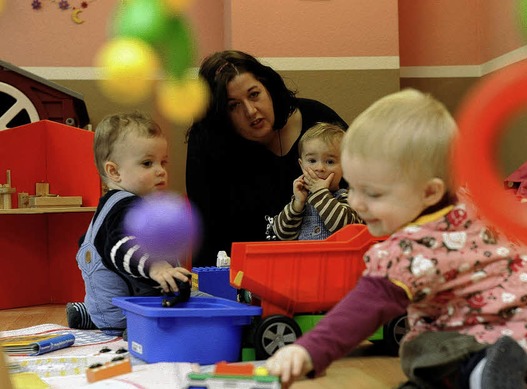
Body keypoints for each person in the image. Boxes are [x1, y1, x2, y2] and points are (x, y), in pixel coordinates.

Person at [265, 89, 527, 389]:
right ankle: (479, 370)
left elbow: (363, 308)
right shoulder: (470, 202)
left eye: (374, 193)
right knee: (427, 331)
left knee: (420, 342)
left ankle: (476, 372)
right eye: (356, 187)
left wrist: (308, 351)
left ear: (430, 191)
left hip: (509, 340)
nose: (357, 203)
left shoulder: (411, 248)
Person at [185, 50, 348, 266]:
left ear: (268, 87)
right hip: (239, 270)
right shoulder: (208, 142)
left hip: (323, 264)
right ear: (219, 114)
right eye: (233, 106)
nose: (251, 111)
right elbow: (206, 228)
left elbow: (365, 189)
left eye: (254, 95)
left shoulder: (319, 122)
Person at [67, 112, 193, 336]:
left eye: (163, 162)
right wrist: (155, 266)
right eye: (147, 163)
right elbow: (121, 244)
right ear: (114, 172)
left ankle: (89, 314)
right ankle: (135, 328)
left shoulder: (110, 206)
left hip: (108, 305)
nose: (160, 170)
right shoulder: (128, 207)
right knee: (200, 305)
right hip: (127, 311)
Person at [272, 122, 362, 240]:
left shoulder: (348, 198)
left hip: (336, 258)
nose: (319, 168)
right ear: (302, 165)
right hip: (305, 258)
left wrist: (320, 192)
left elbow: (344, 227)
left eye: (330, 162)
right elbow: (282, 234)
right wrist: (297, 204)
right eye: (312, 161)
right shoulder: (301, 201)